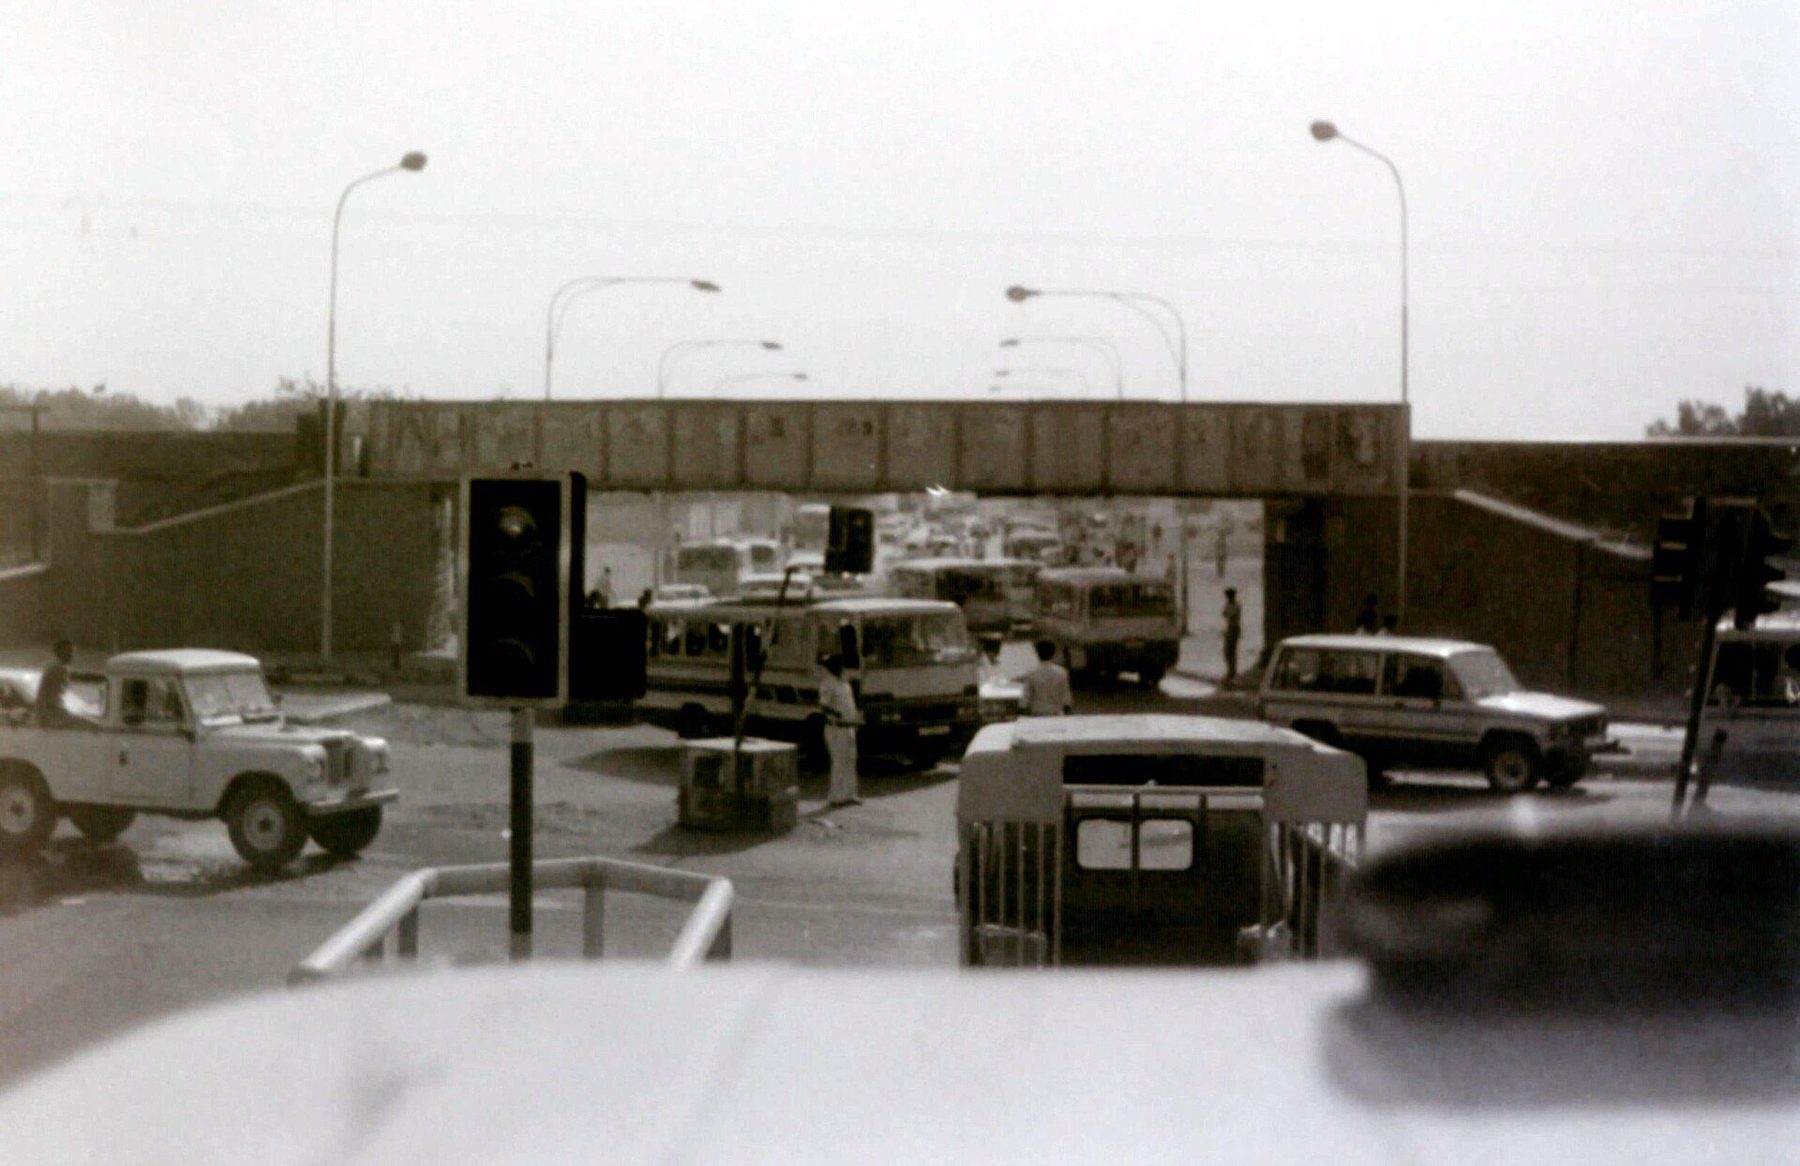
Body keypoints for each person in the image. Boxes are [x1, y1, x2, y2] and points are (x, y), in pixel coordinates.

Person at [817, 654, 861, 808]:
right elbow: (823, 705)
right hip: (836, 726)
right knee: (839, 761)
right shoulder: (827, 684)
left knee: (850, 759)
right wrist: (837, 714)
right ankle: (836, 797)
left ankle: (849, 794)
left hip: (848, 726)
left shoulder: (844, 683)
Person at [1020, 640, 1073, 716]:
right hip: (1056, 713)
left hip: (1037, 713)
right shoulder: (1062, 673)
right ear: (1053, 653)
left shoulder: (1031, 673)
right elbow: (1067, 699)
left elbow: (1025, 699)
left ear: (1036, 653)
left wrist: (1022, 711)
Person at [34, 638, 78, 728]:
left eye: (72, 652)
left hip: (47, 715)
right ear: (59, 653)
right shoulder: (58, 668)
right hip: (51, 717)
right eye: (68, 652)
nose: (71, 655)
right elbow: (52, 698)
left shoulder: (54, 667)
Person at [1222, 589, 1243, 684]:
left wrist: (1227, 614)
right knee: (1228, 651)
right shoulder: (1230, 604)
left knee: (1230, 651)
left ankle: (1232, 671)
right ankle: (1231, 670)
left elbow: (1229, 615)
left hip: (1233, 628)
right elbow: (1224, 613)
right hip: (1231, 628)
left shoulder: (1235, 605)